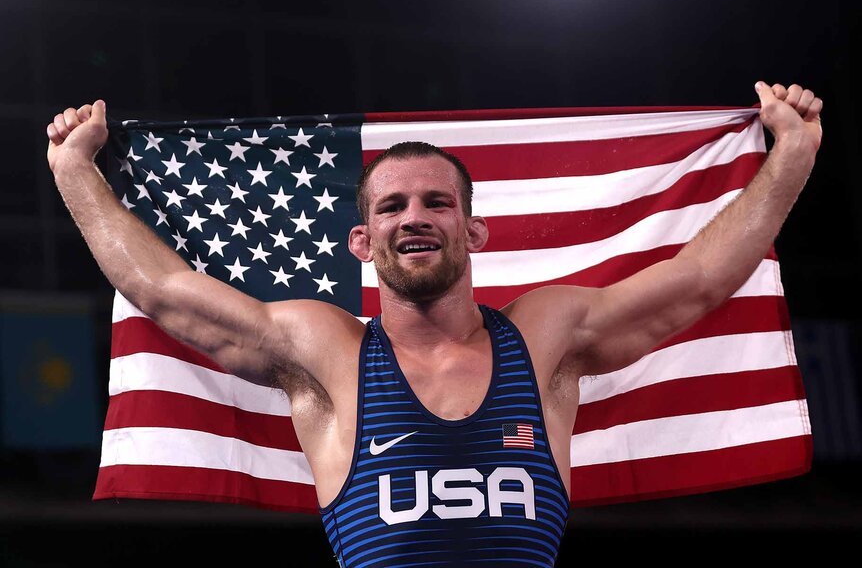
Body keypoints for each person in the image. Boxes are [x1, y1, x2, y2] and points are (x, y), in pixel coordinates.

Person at [46, 82, 822, 567]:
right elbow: (167, 290)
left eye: (436, 202)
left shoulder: (544, 334)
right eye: (392, 206)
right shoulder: (329, 349)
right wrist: (75, 170)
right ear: (363, 241)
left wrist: (790, 155)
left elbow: (698, 282)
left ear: (475, 231)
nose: (414, 217)